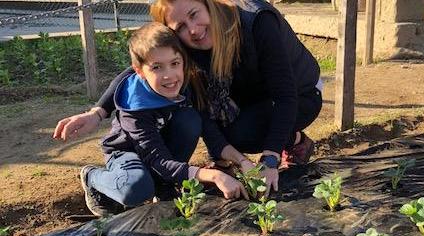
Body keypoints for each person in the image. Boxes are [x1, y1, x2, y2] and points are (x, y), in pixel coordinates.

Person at [54, 0, 323, 197]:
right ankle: (204, 167)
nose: (193, 30)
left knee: (244, 134)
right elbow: (137, 70)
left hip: (299, 95)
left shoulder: (257, 21)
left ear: (208, 5)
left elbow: (286, 97)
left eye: (195, 15)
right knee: (220, 132)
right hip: (250, 98)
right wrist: (97, 112)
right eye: (181, 26)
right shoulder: (182, 45)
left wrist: (270, 159)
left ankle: (295, 141)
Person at [72, 22, 247, 216]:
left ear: (183, 61)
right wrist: (213, 175)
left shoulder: (185, 87)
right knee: (136, 188)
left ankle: (164, 184)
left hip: (161, 154)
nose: (169, 76)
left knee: (192, 120)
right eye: (157, 67)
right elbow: (159, 159)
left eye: (175, 63)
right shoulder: (135, 106)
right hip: (128, 153)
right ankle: (92, 177)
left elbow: (211, 133)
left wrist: (243, 161)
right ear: (139, 71)